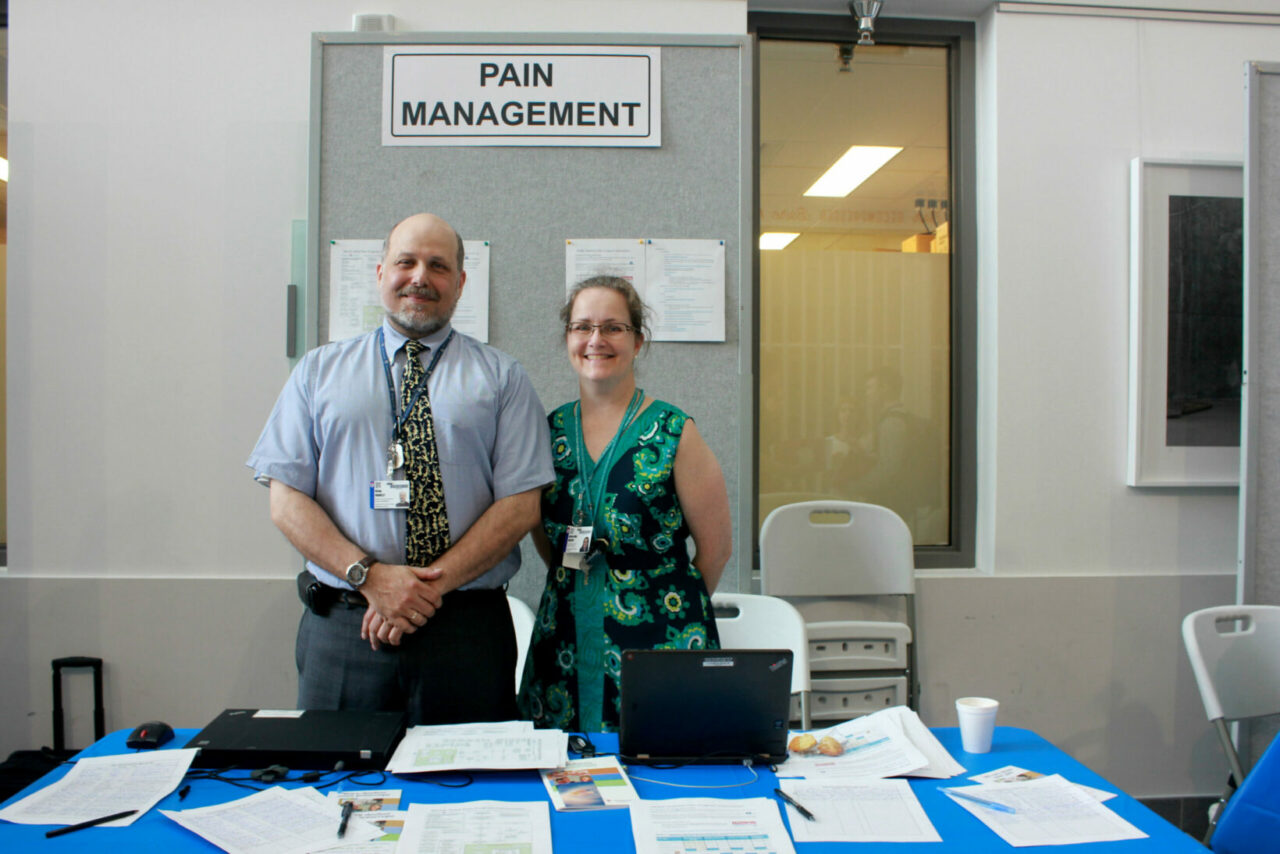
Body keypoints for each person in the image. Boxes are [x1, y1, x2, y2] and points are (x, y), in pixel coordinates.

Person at [247, 212, 554, 725]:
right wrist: (370, 577)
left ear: (459, 283)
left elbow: (521, 505)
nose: (420, 277)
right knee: (337, 786)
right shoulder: (318, 372)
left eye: (438, 266)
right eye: (405, 261)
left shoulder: (503, 379)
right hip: (346, 627)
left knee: (471, 795)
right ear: (380, 273)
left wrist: (421, 588)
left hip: (465, 633)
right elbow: (285, 499)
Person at [517, 275, 732, 732]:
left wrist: (664, 606)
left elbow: (716, 551)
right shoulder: (546, 432)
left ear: (638, 341)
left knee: (661, 781)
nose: (597, 340)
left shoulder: (675, 432)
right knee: (564, 784)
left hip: (658, 648)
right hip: (565, 644)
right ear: (568, 339)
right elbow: (545, 538)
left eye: (613, 327)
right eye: (582, 327)